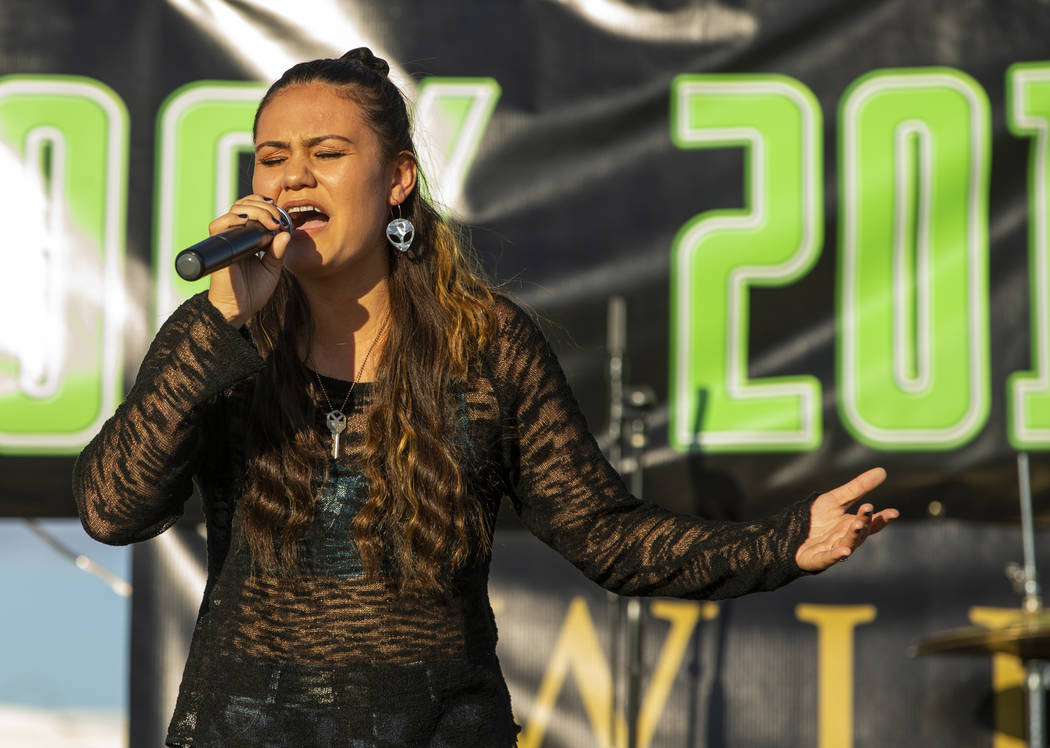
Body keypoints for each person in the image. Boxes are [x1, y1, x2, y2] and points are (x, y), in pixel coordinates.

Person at [73, 48, 897, 747]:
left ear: (397, 180)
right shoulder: (224, 335)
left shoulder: (485, 345)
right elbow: (113, 510)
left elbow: (606, 536)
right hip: (242, 725)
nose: (292, 179)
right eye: (271, 156)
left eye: (325, 154)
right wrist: (220, 319)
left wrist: (786, 543)